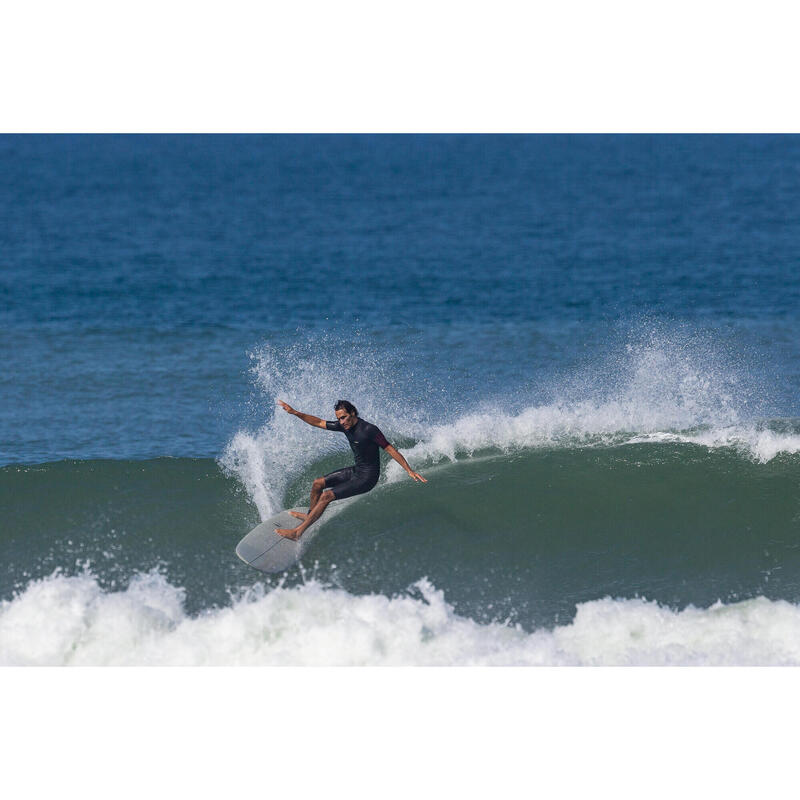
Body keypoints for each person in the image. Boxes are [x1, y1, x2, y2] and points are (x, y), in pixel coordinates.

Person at [275, 399, 427, 540]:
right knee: (317, 484)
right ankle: (309, 517)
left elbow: (390, 449)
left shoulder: (369, 430)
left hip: (367, 478)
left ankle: (298, 532)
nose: (341, 422)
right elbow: (318, 422)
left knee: (326, 496)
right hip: (357, 471)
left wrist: (409, 470)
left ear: (352, 413)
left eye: (344, 417)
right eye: (339, 418)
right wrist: (295, 412)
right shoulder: (344, 426)